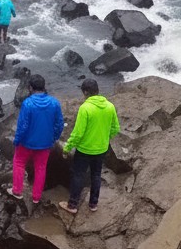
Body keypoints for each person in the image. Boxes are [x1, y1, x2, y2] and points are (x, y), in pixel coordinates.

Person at [59, 79, 120, 215]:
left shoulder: (85, 108)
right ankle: (93, 204)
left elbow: (78, 133)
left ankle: (72, 205)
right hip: (101, 149)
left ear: (86, 92)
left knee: (78, 175)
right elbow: (116, 128)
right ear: (97, 90)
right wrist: (105, 138)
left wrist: (67, 148)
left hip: (84, 150)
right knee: (96, 175)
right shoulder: (110, 106)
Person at [9, 74, 64, 204]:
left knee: (19, 162)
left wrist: (17, 140)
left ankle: (17, 191)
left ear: (30, 88)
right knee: (40, 168)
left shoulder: (27, 104)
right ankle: (36, 197)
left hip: (26, 142)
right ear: (44, 87)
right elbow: (59, 124)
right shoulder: (54, 103)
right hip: (45, 143)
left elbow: (22, 126)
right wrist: (54, 138)